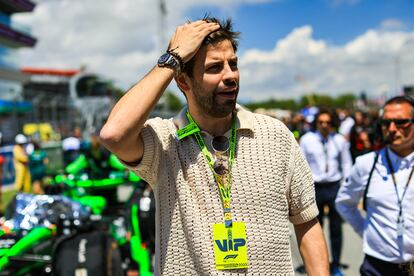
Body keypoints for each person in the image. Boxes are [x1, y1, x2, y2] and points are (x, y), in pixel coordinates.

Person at [100, 16, 329, 275]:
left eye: (233, 64)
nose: (230, 75)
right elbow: (114, 134)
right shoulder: (164, 141)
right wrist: (172, 58)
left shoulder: (275, 135)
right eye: (214, 68)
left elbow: (306, 221)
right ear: (183, 82)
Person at [335, 95, 414, 276]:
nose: (392, 129)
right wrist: (367, 231)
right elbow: (344, 203)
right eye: (386, 123)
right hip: (377, 266)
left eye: (401, 122)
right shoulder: (367, 164)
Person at [299, 108, 352, 276]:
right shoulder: (307, 140)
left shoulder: (339, 141)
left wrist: (346, 188)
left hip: (334, 186)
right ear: (316, 123)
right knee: (314, 229)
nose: (324, 125)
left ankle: (335, 263)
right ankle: (317, 266)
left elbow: (346, 165)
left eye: (327, 122)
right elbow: (301, 163)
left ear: (333, 123)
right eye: (321, 122)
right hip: (315, 187)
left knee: (336, 229)